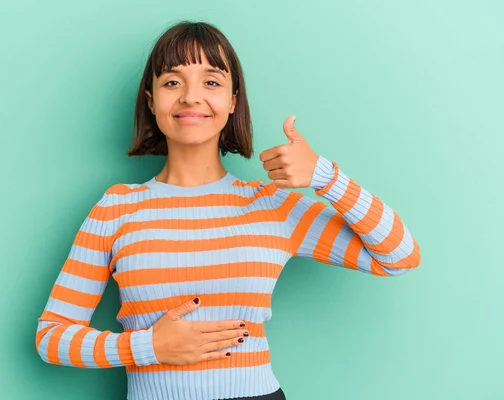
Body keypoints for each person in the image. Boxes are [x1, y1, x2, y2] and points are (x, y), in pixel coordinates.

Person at [35, 21, 421, 400]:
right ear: (151, 101)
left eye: (212, 82)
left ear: (233, 101)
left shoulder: (272, 206)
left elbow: (399, 257)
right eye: (172, 82)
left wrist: (326, 177)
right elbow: (51, 337)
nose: (190, 97)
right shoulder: (116, 209)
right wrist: (146, 347)